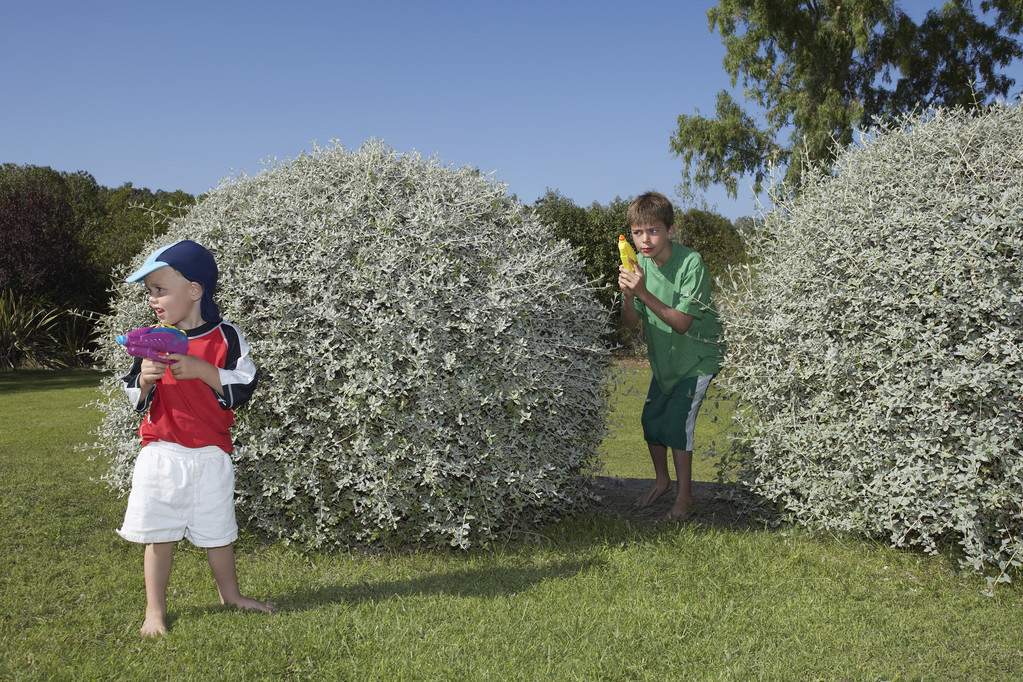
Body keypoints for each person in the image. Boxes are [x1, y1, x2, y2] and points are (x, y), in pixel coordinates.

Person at [117, 240, 275, 636]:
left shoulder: (227, 336)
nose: (152, 299)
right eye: (149, 291)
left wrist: (202, 370)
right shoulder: (152, 338)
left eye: (159, 289)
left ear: (194, 289)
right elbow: (133, 394)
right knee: (159, 536)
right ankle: (155, 611)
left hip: (210, 455)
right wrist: (145, 380)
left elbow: (244, 384)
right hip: (161, 453)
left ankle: (231, 596)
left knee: (219, 532)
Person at [618, 192, 724, 523]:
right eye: (637, 232)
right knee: (651, 422)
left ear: (670, 231)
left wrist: (642, 291)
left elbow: (681, 323)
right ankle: (662, 482)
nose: (645, 240)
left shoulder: (691, 263)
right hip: (665, 363)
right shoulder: (638, 267)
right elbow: (630, 324)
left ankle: (685, 499)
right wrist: (628, 296)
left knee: (678, 424)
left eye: (653, 231)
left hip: (697, 359)